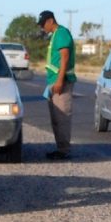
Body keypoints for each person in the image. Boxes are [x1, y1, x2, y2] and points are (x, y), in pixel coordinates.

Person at [37, 10, 76, 160]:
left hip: (62, 82)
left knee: (62, 117)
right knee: (56, 118)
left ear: (50, 21)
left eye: (43, 24)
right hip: (53, 82)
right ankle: (60, 148)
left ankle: (64, 150)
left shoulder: (61, 33)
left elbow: (64, 57)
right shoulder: (55, 35)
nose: (42, 28)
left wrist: (60, 80)